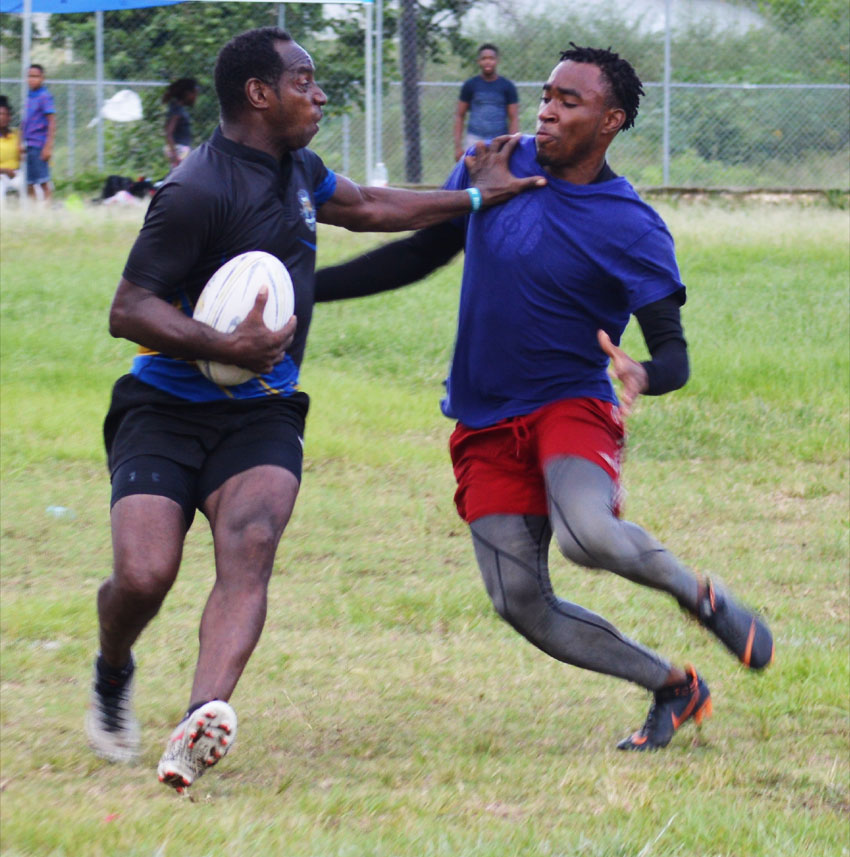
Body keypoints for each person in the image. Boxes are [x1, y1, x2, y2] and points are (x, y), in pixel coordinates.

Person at [84, 26, 543, 794]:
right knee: (143, 575)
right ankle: (112, 668)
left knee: (252, 539)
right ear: (259, 94)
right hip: (163, 405)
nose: (319, 93)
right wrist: (219, 341)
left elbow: (366, 206)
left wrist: (470, 196)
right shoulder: (194, 190)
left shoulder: (300, 167)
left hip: (263, 409)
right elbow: (128, 308)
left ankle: (201, 720)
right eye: (304, 81)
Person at [315, 44, 774, 752]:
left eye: (570, 102)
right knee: (520, 602)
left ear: (611, 120)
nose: (548, 112)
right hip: (484, 414)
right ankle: (674, 687)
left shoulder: (632, 225)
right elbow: (420, 253)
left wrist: (645, 372)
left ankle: (697, 594)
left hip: (570, 403)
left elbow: (674, 351)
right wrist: (307, 291)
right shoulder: (500, 162)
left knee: (586, 534)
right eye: (547, 96)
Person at [453, 43, 519, 162]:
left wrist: (512, 144)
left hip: (499, 140)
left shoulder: (507, 86)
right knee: (471, 176)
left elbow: (513, 117)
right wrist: (458, 147)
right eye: (484, 58)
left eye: (491, 58)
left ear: (497, 61)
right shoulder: (470, 85)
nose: (487, 62)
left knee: (498, 177)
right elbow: (459, 115)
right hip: (474, 139)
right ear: (479, 61)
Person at [20, 64, 55, 202]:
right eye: (29, 76)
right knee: (29, 182)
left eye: (35, 76)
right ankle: (35, 211)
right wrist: (20, 141)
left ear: (42, 78)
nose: (32, 79)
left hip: (39, 144)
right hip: (29, 144)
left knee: (43, 180)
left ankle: (47, 208)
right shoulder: (28, 96)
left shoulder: (44, 96)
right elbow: (25, 121)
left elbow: (52, 121)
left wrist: (48, 146)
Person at [163, 78, 199, 167]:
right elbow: (168, 133)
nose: (195, 97)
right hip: (180, 151)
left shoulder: (177, 107)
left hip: (181, 150)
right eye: (195, 93)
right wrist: (175, 156)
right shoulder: (177, 110)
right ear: (188, 94)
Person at [0, 97, 23, 203]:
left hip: (16, 174)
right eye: (0, 114)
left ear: (10, 117)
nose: (3, 117)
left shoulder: (17, 134)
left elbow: (23, 157)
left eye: (6, 114)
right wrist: (4, 171)